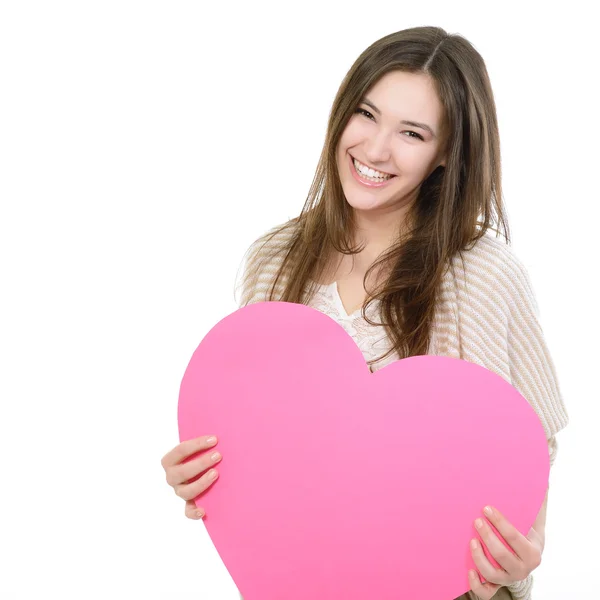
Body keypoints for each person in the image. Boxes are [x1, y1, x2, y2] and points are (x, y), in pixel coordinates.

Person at [161, 25, 569, 600]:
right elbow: (267, 446)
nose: (376, 149)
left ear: (447, 152)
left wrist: (523, 557)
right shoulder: (275, 263)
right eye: (366, 114)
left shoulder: (482, 273)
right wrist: (209, 479)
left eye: (411, 132)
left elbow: (529, 439)